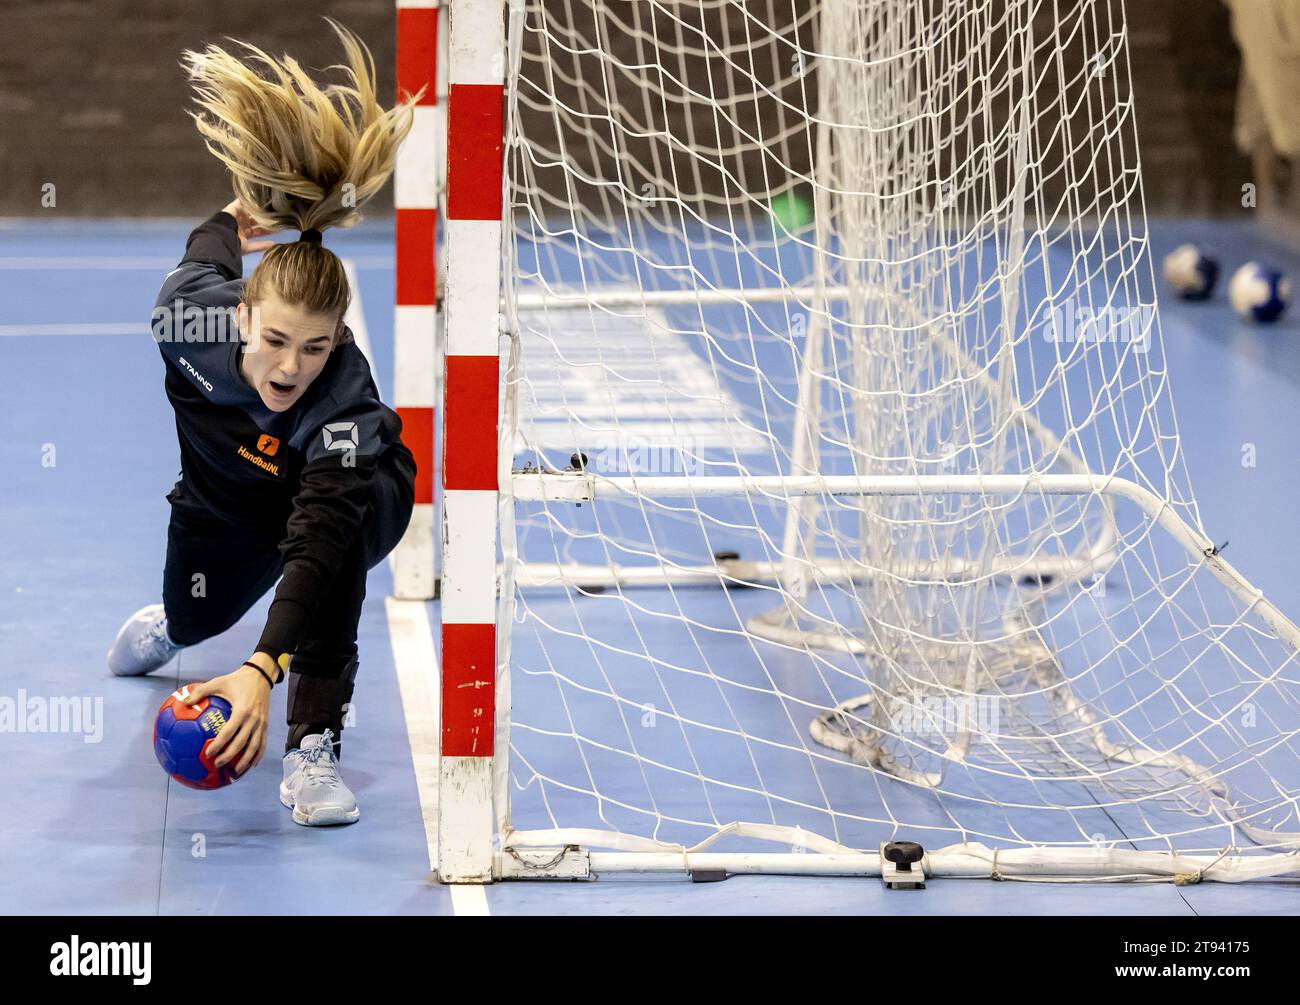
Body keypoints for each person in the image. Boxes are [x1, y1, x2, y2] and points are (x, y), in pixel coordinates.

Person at [107, 21, 418, 826]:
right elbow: (201, 260)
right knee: (196, 612)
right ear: (242, 316)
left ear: (337, 342)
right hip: (221, 501)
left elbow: (315, 542)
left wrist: (262, 666)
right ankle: (176, 623)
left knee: (334, 551)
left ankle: (314, 745)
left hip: (339, 498)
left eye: (314, 347)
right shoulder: (189, 324)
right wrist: (228, 215)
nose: (290, 366)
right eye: (275, 339)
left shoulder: (340, 399)